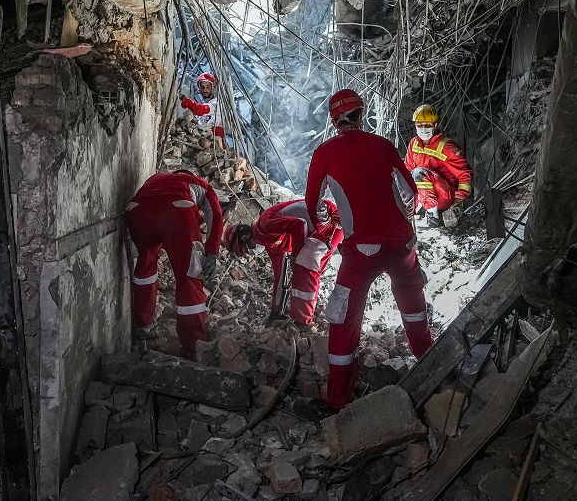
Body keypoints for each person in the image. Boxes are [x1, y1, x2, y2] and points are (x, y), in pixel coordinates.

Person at [305, 89, 434, 410]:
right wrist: (402, 219)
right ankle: (432, 361)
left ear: (334, 121)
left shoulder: (325, 153)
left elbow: (313, 204)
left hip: (362, 249)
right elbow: (410, 192)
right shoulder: (383, 145)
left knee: (342, 316)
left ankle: (337, 398)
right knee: (412, 301)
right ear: (361, 115)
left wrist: (328, 223)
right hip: (402, 243)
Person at [124, 170, 223, 356]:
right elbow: (215, 213)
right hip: (178, 210)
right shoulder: (201, 183)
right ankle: (193, 346)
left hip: (137, 210)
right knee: (189, 276)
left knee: (145, 266)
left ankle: (142, 327)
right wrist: (212, 251)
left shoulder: (156, 178)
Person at [223, 198, 344, 328]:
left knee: (304, 268)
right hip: (323, 229)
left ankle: (302, 323)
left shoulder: (266, 224)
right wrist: (275, 310)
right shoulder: (270, 244)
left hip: (330, 220)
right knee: (312, 271)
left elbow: (300, 225)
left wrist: (294, 256)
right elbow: (280, 277)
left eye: (245, 250)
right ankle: (307, 315)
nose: (249, 253)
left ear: (245, 237)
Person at [404, 104, 473, 228]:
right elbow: (407, 170)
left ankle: (433, 217)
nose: (423, 129)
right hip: (423, 196)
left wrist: (458, 201)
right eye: (420, 125)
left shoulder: (447, 147)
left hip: (444, 196)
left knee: (419, 173)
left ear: (435, 125)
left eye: (427, 125)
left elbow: (464, 174)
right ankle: (416, 211)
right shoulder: (414, 143)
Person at [180, 72, 225, 147]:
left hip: (214, 143)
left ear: (213, 88)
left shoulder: (216, 103)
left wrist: (184, 99)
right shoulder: (204, 102)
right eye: (202, 87)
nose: (205, 90)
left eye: (208, 87)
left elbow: (200, 109)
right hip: (204, 140)